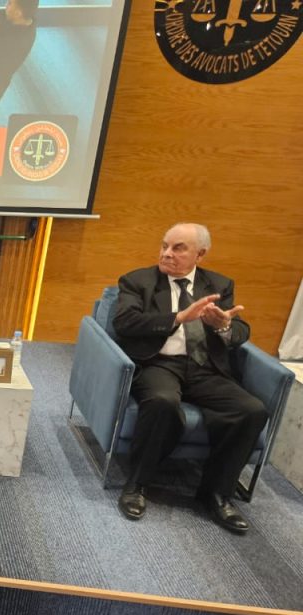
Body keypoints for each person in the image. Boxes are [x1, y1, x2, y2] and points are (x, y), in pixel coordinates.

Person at [112, 223, 267, 534]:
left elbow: (240, 331)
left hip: (205, 367)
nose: (167, 253)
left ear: (200, 254)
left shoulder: (219, 285)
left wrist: (223, 326)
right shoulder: (138, 281)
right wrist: (179, 317)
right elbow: (125, 322)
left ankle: (216, 493)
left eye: (178, 248)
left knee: (252, 410)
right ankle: (137, 484)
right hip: (159, 363)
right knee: (162, 401)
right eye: (164, 245)